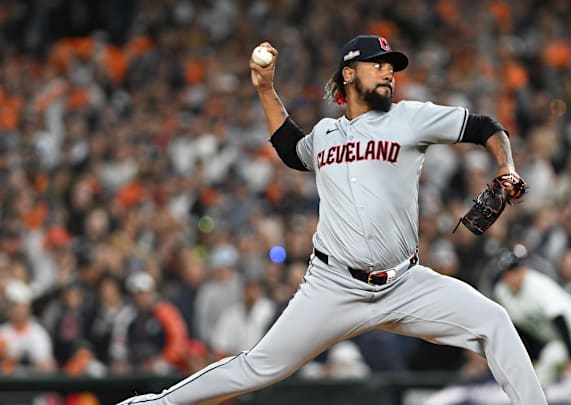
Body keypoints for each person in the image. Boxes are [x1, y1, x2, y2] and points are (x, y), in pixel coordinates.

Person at [118, 34, 546, 405]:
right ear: (348, 74)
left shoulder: (409, 118)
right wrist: (266, 90)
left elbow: (485, 126)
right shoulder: (325, 134)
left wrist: (506, 167)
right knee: (260, 367)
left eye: (390, 66)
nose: (387, 72)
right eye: (376, 64)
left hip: (406, 283)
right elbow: (290, 149)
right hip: (333, 286)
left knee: (494, 322)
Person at [492, 244, 571, 396]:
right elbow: (519, 328)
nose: (511, 275)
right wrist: (533, 357)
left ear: (524, 268)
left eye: (515, 269)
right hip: (559, 340)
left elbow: (560, 319)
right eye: (507, 271)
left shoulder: (537, 286)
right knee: (537, 379)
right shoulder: (502, 292)